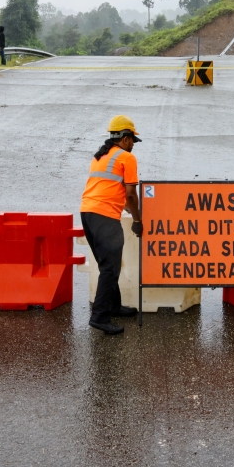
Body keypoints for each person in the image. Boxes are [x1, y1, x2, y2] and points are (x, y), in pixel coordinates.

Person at [80, 115, 144, 335]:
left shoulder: (101, 156)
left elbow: (109, 191)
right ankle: (99, 317)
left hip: (88, 213)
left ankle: (113, 306)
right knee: (110, 268)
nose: (133, 145)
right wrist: (137, 220)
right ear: (125, 139)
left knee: (107, 265)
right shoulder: (126, 158)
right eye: (133, 140)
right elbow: (131, 194)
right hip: (105, 217)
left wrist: (125, 208)